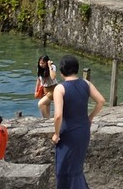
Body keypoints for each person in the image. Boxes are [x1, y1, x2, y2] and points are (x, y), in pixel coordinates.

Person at [52, 55, 105, 189]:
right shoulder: (86, 83)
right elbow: (101, 101)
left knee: (63, 169)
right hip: (83, 130)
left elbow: (58, 115)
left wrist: (56, 134)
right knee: (76, 168)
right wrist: (90, 117)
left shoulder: (60, 88)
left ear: (62, 71)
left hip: (68, 132)